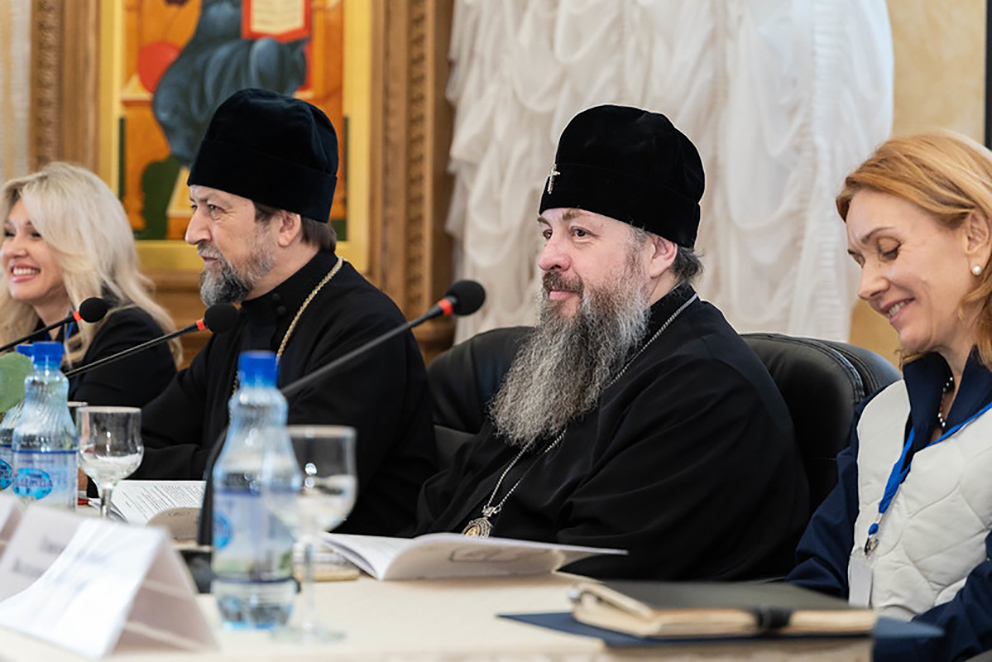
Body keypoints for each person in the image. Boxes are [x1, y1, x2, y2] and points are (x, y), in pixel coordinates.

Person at [413, 104, 809, 580]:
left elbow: (595, 571)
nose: (548, 257)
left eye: (579, 232)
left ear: (658, 251)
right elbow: (444, 507)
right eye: (548, 232)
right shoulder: (566, 356)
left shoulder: (706, 390)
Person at [136, 88, 437, 537]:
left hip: (344, 573)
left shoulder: (365, 330)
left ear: (285, 224)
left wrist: (204, 466)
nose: (192, 232)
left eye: (214, 209)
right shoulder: (238, 320)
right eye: (196, 206)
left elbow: (284, 484)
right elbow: (145, 441)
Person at [788, 131, 992, 661]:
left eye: (888, 250)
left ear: (976, 236)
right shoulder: (884, 411)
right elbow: (819, 570)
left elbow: (983, 614)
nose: (867, 286)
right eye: (860, 260)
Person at [0, 162, 178, 407]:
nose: (12, 250)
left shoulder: (128, 334)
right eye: (9, 233)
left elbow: (83, 430)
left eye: (36, 234)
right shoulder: (31, 332)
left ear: (87, 244)